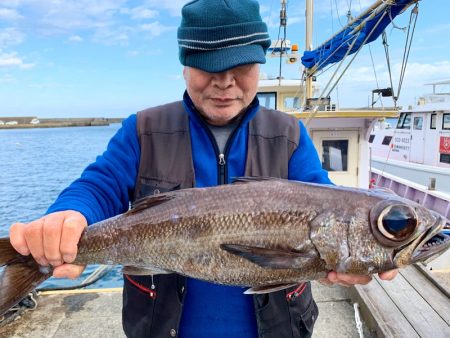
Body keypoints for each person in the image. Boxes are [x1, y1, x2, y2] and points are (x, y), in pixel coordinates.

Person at [9, 1, 397, 337]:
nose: (225, 82)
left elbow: (321, 197)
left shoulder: (289, 134)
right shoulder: (143, 130)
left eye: (241, 66)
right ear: (185, 64)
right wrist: (68, 216)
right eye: (209, 66)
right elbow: (100, 185)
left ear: (259, 62)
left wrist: (363, 242)